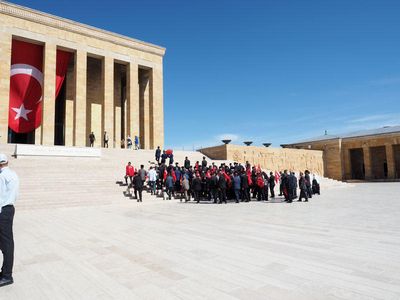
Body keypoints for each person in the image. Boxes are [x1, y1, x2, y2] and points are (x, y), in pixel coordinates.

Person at [0, 154, 19, 287]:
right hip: (10, 208)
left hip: (2, 211)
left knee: (6, 243)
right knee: (6, 243)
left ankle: (7, 275)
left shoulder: (2, 176)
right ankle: (5, 272)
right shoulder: (13, 174)